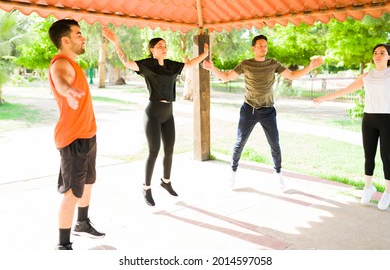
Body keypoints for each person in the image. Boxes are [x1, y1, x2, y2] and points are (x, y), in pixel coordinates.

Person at [102, 27, 208, 206]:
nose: (164, 48)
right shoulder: (147, 65)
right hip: (153, 114)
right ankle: (146, 188)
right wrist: (116, 42)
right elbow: (127, 62)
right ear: (152, 50)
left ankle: (166, 182)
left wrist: (204, 55)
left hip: (169, 113)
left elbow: (190, 64)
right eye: (160, 46)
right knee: (153, 151)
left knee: (169, 150)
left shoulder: (171, 65)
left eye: (165, 46)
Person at [203, 35, 323, 189]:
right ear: (253, 48)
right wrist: (213, 68)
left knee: (275, 144)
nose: (263, 48)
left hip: (268, 110)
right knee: (240, 142)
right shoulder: (246, 64)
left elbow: (292, 75)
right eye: (260, 45)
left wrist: (310, 67)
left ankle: (278, 173)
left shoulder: (273, 63)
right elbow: (226, 77)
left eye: (265, 45)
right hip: (249, 110)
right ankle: (232, 173)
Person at [48, 19, 105, 250]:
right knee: (72, 192)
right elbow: (60, 80)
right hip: (73, 138)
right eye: (79, 34)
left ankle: (82, 223)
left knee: (88, 182)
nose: (84, 38)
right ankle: (63, 245)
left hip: (88, 134)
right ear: (65, 40)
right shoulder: (60, 63)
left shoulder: (73, 63)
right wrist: (67, 90)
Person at [314, 43, 390, 211]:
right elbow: (346, 90)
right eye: (375, 52)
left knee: (387, 157)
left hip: (387, 120)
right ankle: (368, 187)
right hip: (369, 119)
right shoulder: (367, 76)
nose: (378, 55)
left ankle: (388, 192)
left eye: (382, 53)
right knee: (368, 156)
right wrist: (324, 98)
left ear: (388, 56)